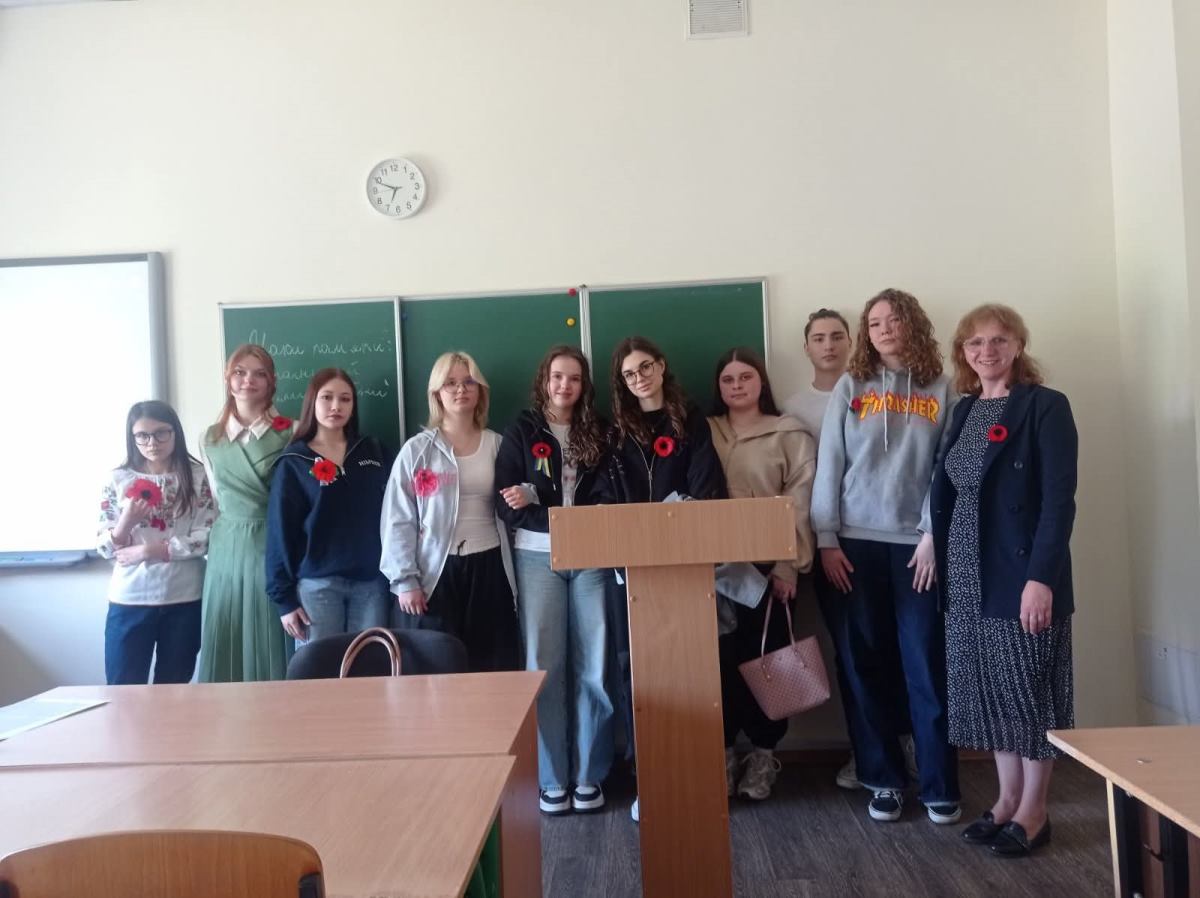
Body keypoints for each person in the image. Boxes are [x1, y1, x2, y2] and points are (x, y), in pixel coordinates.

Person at [810, 288, 961, 824]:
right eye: (874, 323)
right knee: (863, 663)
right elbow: (830, 462)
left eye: (893, 320)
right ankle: (883, 779)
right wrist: (826, 538)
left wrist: (932, 536)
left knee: (926, 663)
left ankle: (940, 785)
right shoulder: (851, 386)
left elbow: (947, 468)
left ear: (913, 324)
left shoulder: (943, 387)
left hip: (917, 548)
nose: (884, 329)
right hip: (853, 546)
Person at [932, 304, 1076, 858]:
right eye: (974, 343)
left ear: (1018, 345)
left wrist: (1041, 579)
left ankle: (1035, 811)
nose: (986, 351)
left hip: (1020, 574)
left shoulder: (1045, 406)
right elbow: (951, 491)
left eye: (998, 340)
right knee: (989, 692)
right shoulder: (965, 410)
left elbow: (1059, 502)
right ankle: (1006, 800)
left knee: (1028, 693)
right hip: (967, 571)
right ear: (963, 353)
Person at [596, 335, 726, 821]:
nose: (640, 379)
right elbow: (607, 496)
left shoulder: (690, 420)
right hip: (632, 569)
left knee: (691, 671)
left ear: (662, 365)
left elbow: (706, 488)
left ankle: (695, 775)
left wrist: (680, 521)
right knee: (637, 675)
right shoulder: (614, 431)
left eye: (645, 367)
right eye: (629, 374)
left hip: (686, 565)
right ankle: (647, 779)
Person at [787, 309, 916, 792]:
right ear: (806, 347)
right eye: (818, 338)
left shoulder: (884, 389)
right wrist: (822, 540)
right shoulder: (793, 407)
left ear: (851, 341)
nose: (829, 345)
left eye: (837, 336)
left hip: (889, 538)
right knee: (853, 654)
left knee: (901, 651)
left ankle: (905, 748)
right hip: (827, 542)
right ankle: (867, 755)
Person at [496, 345, 613, 815]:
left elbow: (607, 497)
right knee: (543, 666)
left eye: (575, 378)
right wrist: (551, 514)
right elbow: (506, 502)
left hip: (593, 556)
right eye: (557, 377)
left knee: (594, 665)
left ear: (584, 386)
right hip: (536, 558)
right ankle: (551, 779)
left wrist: (538, 500)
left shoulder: (599, 430)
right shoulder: (521, 429)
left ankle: (588, 775)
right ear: (544, 380)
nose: (565, 386)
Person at [708, 347, 815, 801]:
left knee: (768, 663)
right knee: (720, 667)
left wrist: (789, 565)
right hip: (713, 570)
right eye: (728, 379)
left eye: (745, 377)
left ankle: (763, 756)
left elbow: (801, 503)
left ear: (761, 382)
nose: (737, 386)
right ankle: (724, 755)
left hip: (769, 570)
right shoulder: (705, 431)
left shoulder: (789, 433)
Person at [380, 351, 520, 672]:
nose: (460, 389)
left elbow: (518, 498)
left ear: (480, 390)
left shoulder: (498, 445)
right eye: (451, 383)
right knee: (438, 670)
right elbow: (398, 518)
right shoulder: (417, 450)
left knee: (492, 669)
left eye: (469, 382)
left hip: (490, 567)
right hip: (435, 572)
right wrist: (405, 580)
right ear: (436, 393)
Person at [266, 368, 392, 645]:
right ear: (313, 402)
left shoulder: (374, 451)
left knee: (369, 664)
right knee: (319, 668)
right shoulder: (295, 461)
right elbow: (279, 533)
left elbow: (399, 511)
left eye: (345, 399)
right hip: (317, 586)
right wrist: (284, 600)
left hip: (371, 583)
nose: (336, 406)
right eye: (327, 397)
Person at [97, 400, 215, 685]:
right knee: (124, 689)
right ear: (132, 437)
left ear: (175, 432)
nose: (152, 443)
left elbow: (207, 536)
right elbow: (105, 547)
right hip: (130, 599)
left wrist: (151, 550)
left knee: (174, 687)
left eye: (161, 433)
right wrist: (126, 521)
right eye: (143, 435)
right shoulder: (118, 479)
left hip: (184, 597)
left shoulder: (198, 476)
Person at [198, 344, 294, 682]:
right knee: (226, 630)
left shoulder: (290, 430)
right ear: (228, 379)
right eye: (239, 372)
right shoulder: (209, 438)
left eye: (259, 374)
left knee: (269, 629)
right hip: (225, 548)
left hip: (271, 541)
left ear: (271, 381)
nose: (248, 380)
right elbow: (215, 497)